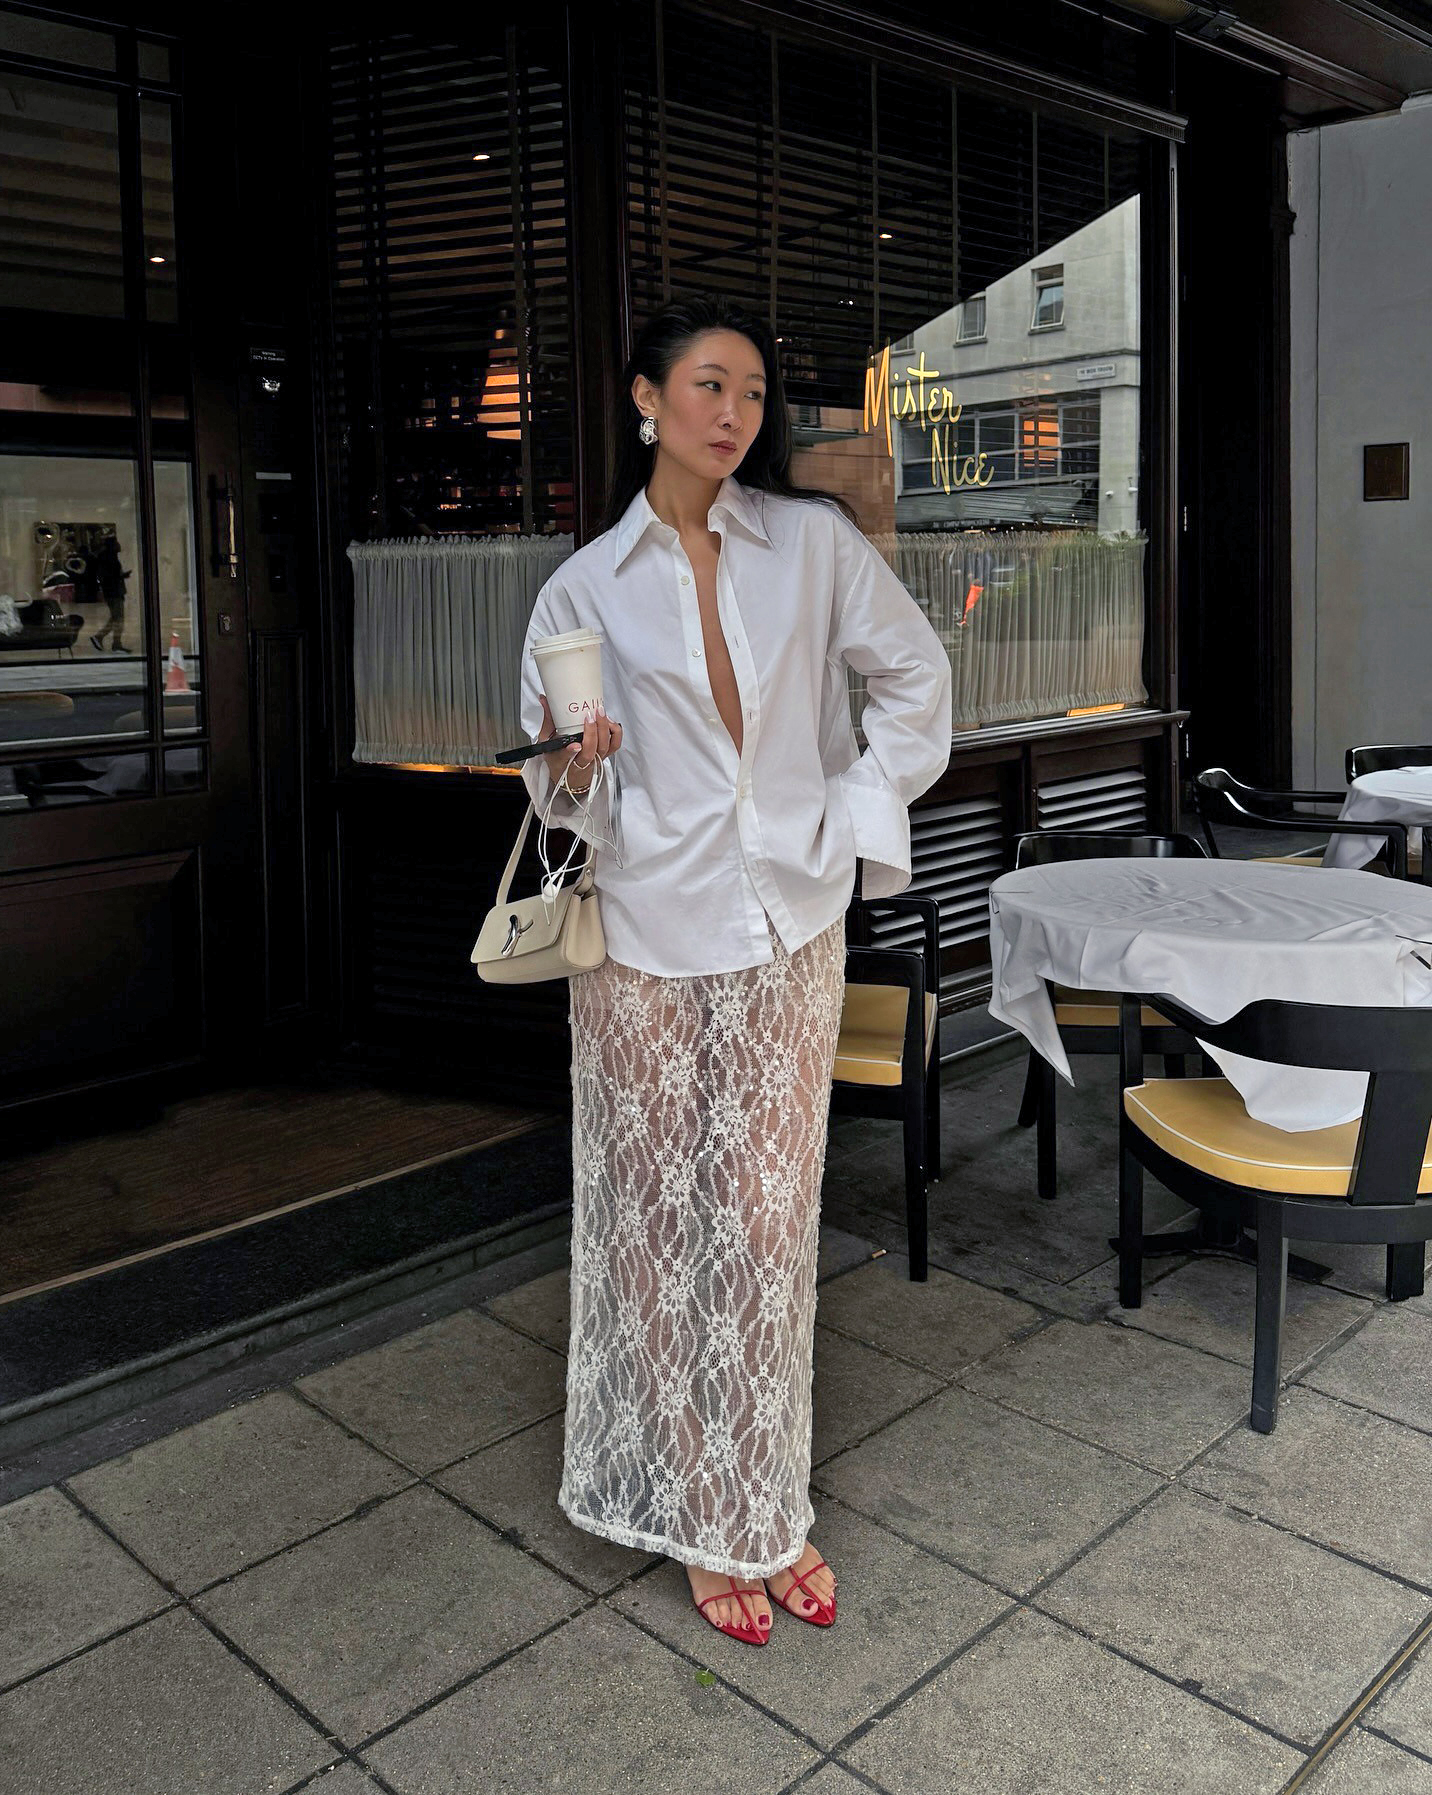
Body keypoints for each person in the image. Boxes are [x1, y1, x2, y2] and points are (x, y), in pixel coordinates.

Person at [517, 292, 952, 1646]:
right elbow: (562, 797)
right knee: (656, 1224)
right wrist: (578, 774)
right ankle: (709, 1512)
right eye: (710, 386)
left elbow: (918, 680)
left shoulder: (811, 546)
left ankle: (768, 1505)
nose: (735, 414)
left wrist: (852, 813)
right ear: (645, 397)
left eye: (753, 394)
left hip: (790, 923)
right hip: (644, 938)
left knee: (764, 1223)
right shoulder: (581, 588)